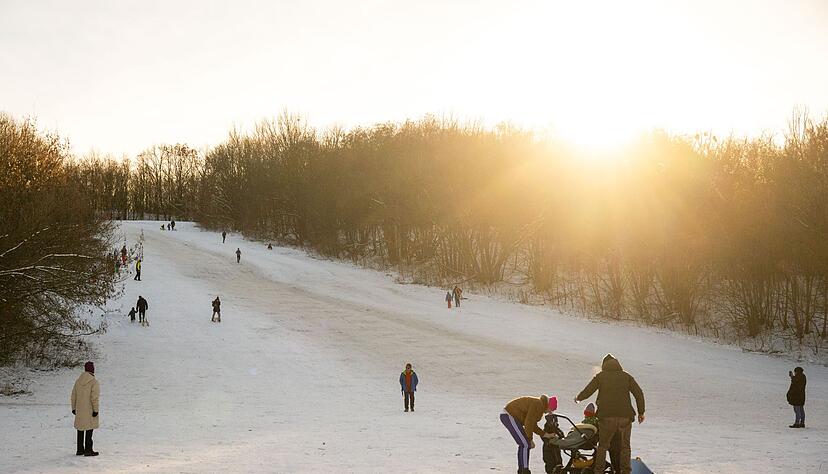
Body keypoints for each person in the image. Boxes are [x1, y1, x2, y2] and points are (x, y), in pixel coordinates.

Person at [575, 354, 645, 474]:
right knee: (625, 447)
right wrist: (641, 412)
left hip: (606, 417)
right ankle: (625, 471)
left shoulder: (601, 376)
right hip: (625, 417)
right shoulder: (626, 376)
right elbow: (639, 393)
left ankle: (599, 471)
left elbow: (589, 389)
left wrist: (579, 398)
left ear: (604, 365)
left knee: (603, 446)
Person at [501, 394, 558, 474]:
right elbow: (528, 423)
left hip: (510, 416)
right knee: (525, 444)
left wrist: (545, 434)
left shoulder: (539, 405)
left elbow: (533, 425)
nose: (550, 412)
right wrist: (530, 439)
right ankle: (524, 470)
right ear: (548, 406)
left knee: (524, 444)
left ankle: (522, 469)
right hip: (509, 415)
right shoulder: (538, 404)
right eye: (551, 409)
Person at [71, 361, 100, 456]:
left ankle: (80, 449)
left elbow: (73, 395)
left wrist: (74, 408)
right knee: (89, 428)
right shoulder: (94, 382)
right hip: (89, 410)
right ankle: (88, 450)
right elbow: (94, 398)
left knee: (80, 429)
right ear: (92, 370)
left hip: (79, 409)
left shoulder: (78, 381)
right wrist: (95, 410)